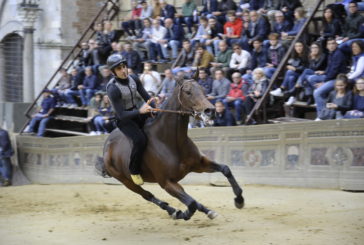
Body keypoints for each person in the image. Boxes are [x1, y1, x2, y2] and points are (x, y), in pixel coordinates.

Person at [106, 54, 154, 185]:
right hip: (124, 120)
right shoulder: (112, 88)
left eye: (124, 66)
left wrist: (154, 108)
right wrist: (140, 111)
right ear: (113, 72)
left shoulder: (133, 78)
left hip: (137, 112)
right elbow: (121, 114)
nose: (123, 70)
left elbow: (145, 95)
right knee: (140, 139)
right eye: (119, 69)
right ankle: (134, 170)